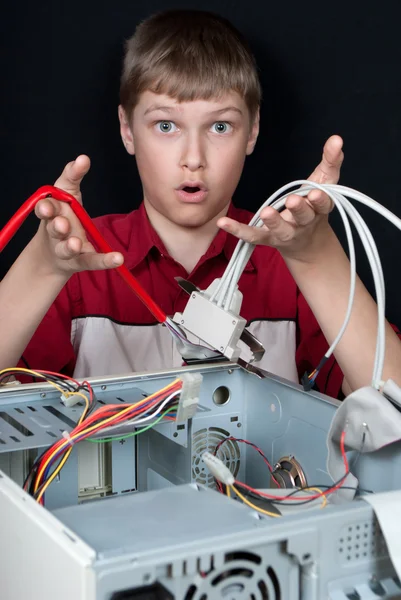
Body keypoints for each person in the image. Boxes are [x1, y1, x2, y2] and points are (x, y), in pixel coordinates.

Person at [0, 9, 400, 398]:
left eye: (220, 126)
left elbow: (392, 407)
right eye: (166, 125)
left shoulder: (289, 265)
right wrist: (42, 267)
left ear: (252, 131)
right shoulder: (81, 259)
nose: (193, 157)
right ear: (127, 130)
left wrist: (316, 259)